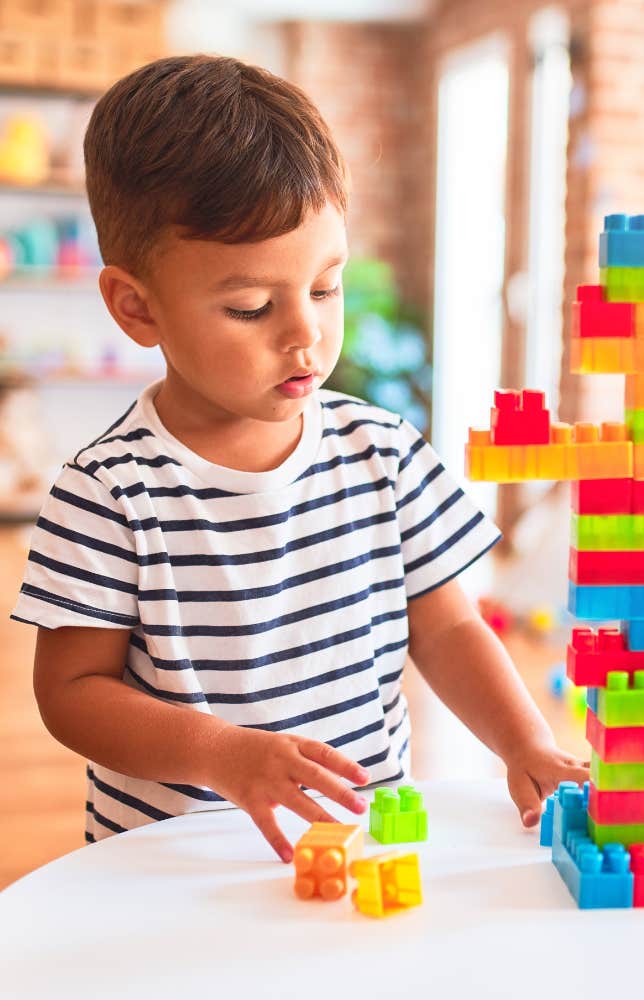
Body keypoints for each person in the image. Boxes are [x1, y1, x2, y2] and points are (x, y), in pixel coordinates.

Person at [11, 55, 588, 862]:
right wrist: (220, 751)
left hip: (358, 842)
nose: (305, 334)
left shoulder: (382, 452)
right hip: (174, 862)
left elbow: (450, 625)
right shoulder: (108, 492)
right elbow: (71, 695)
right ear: (136, 307)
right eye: (251, 306)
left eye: (325, 287)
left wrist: (524, 741)